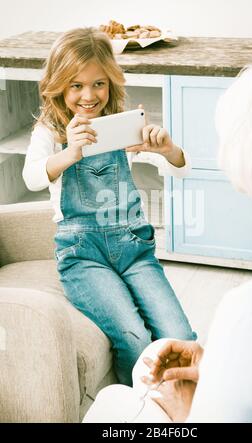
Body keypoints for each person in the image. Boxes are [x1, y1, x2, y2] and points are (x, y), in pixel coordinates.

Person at [83, 54, 252, 423]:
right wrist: (223, 368)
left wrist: (188, 410)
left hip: (132, 245)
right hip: (89, 250)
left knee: (111, 402)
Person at [22, 27, 197, 387]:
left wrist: (166, 149)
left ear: (111, 83)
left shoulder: (121, 124)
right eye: (76, 85)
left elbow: (181, 168)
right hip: (83, 256)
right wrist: (68, 153)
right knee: (133, 338)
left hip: (133, 249)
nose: (89, 95)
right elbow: (32, 177)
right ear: (59, 86)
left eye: (99, 84)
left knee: (181, 335)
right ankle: (138, 408)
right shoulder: (50, 132)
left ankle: (183, 401)